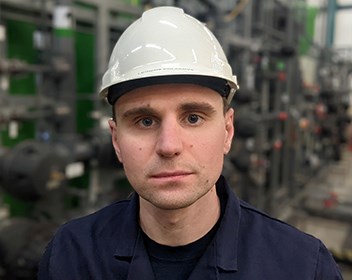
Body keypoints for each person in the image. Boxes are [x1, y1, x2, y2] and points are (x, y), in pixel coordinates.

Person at [38, 6, 342, 279]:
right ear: (116, 140)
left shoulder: (302, 266)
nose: (169, 145)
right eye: (145, 121)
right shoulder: (72, 256)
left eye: (193, 118)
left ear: (227, 131)